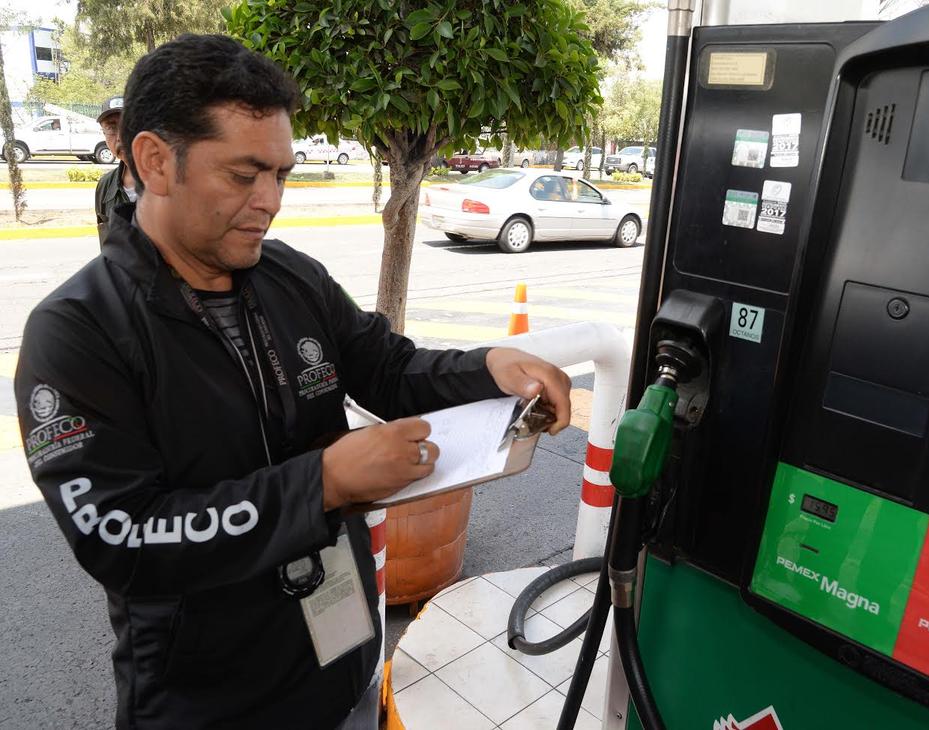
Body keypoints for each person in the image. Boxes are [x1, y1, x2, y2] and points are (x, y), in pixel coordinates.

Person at [15, 34, 571, 730]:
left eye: (281, 173)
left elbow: (388, 367)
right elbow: (119, 536)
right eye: (244, 175)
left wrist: (490, 365)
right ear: (156, 161)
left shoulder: (288, 275)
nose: (270, 201)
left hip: (338, 659)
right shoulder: (77, 330)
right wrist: (324, 483)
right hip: (208, 700)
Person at [94, 96, 138, 244]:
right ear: (103, 134)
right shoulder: (105, 186)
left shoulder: (170, 180)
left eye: (128, 126)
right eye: (112, 128)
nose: (121, 137)